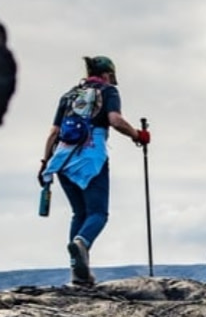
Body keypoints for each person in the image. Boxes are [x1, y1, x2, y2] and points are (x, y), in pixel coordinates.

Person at [38, 55, 149, 287]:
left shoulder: (69, 95)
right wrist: (138, 135)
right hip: (90, 157)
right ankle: (82, 243)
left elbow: (53, 132)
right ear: (108, 74)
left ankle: (78, 273)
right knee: (98, 213)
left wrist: (45, 162)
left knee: (79, 213)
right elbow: (115, 120)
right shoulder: (108, 91)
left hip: (62, 159)